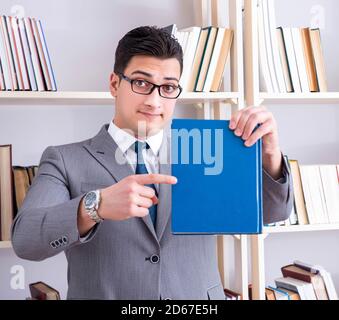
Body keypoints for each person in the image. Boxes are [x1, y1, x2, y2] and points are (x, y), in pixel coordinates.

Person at [11, 26, 293, 300]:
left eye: (168, 87)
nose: (154, 100)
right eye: (141, 83)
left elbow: (274, 212)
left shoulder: (207, 149)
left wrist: (270, 155)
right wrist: (95, 206)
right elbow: (26, 240)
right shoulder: (64, 159)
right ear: (114, 84)